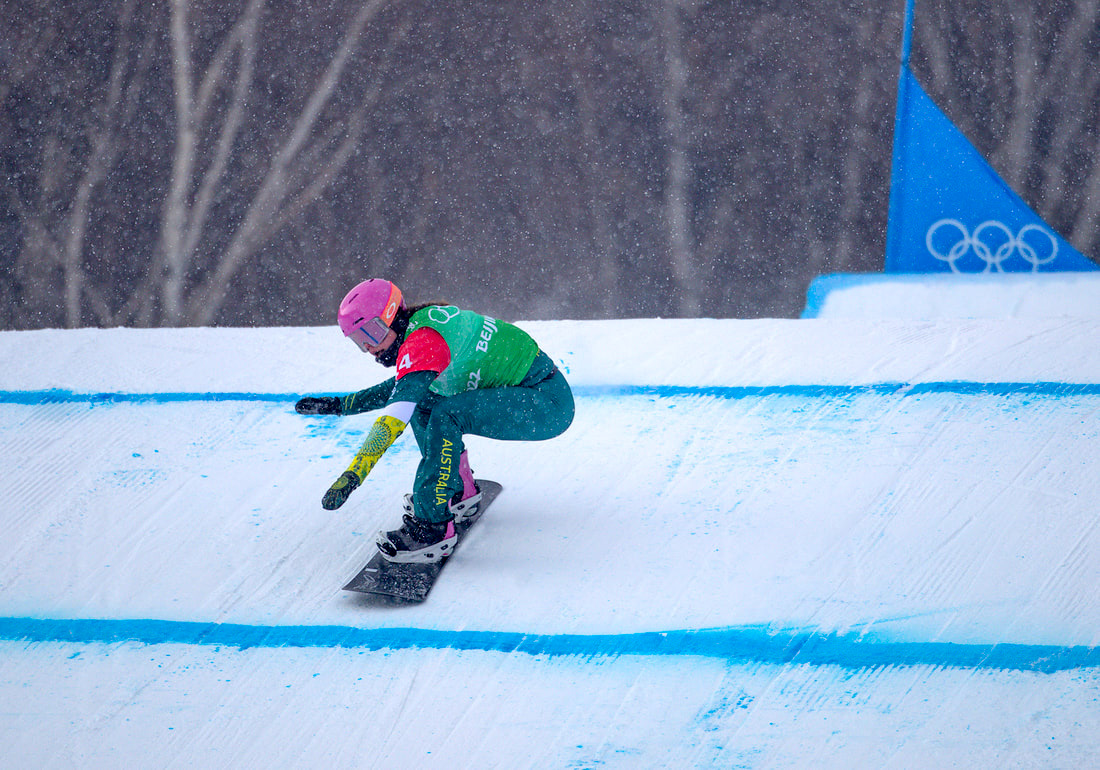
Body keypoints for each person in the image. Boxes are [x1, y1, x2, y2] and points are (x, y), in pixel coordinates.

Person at [296, 278, 575, 564]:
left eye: (372, 332)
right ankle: (456, 490)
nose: (369, 348)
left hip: (545, 401)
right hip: (538, 390)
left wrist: (354, 474)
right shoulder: (419, 325)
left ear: (392, 317)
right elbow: (404, 387)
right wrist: (342, 405)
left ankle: (433, 529)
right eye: (359, 340)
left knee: (446, 414)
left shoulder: (424, 341)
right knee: (425, 402)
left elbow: (393, 418)